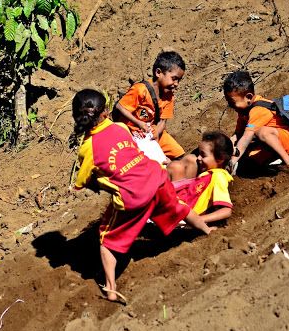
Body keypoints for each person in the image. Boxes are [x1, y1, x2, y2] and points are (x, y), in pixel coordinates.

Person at [72, 89, 214, 303]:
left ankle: (111, 288)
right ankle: (207, 230)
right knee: (178, 206)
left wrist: (84, 185)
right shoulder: (119, 127)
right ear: (105, 113)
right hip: (156, 177)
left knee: (106, 237)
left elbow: (82, 182)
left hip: (134, 196)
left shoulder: (87, 148)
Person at [223, 71, 289, 174]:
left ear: (249, 97)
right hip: (272, 142)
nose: (230, 105)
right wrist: (225, 148)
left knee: (262, 132)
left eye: (232, 102)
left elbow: (246, 137)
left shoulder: (259, 110)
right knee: (249, 159)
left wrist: (232, 161)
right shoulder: (243, 111)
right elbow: (237, 135)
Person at [114, 51, 186, 161]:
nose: (176, 84)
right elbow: (120, 106)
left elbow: (162, 122)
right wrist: (138, 123)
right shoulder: (140, 89)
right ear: (158, 73)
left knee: (179, 155)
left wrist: (156, 133)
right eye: (174, 78)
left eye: (179, 80)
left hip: (150, 131)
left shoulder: (169, 96)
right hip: (131, 132)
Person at [167, 131, 234, 224]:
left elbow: (226, 211)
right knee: (174, 167)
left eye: (203, 155)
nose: (198, 158)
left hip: (182, 212)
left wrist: (198, 220)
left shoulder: (219, 176)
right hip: (180, 204)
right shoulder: (209, 174)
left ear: (220, 159)